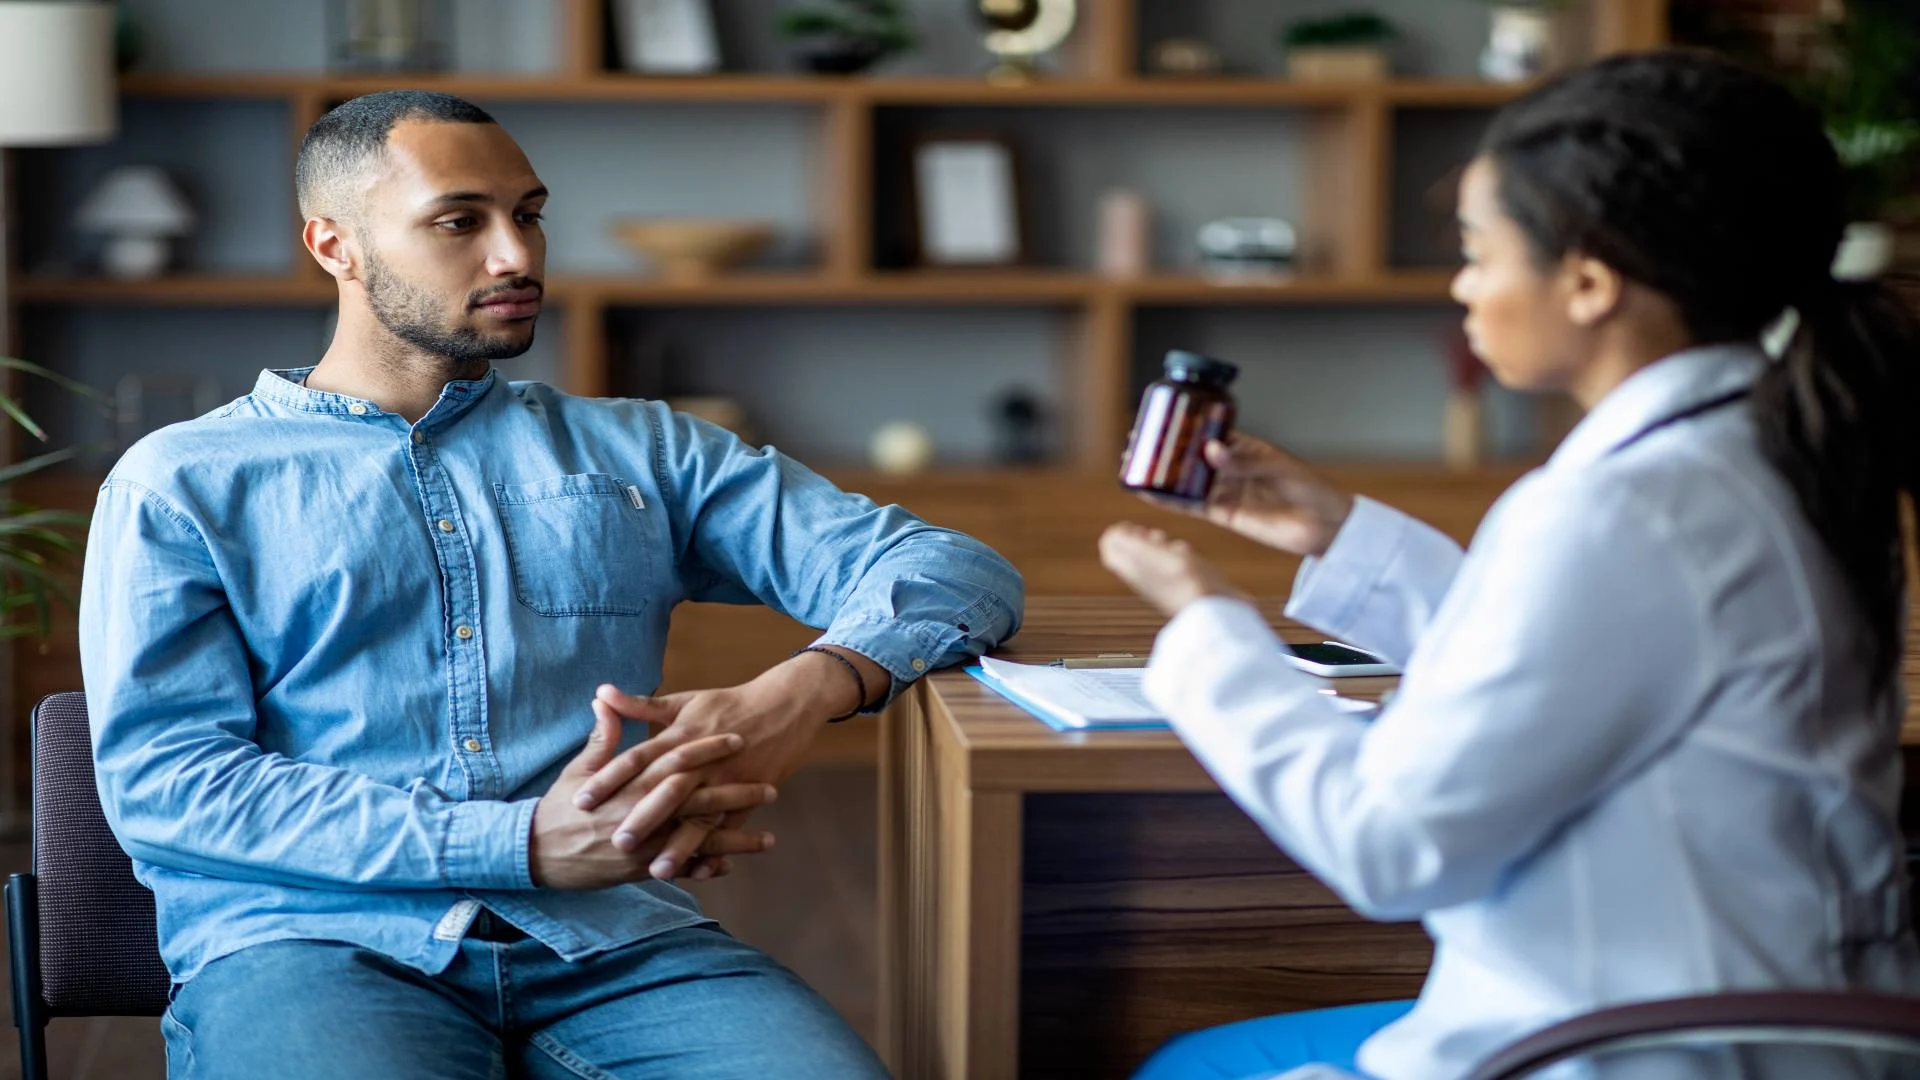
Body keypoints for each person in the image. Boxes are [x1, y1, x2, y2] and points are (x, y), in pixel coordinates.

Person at [78, 90, 1022, 1079]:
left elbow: (956, 571)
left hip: (615, 946)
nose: (518, 257)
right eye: (459, 222)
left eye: (528, 214)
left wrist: (808, 689)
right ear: (334, 246)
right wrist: (517, 843)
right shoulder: (182, 481)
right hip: (312, 947)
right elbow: (167, 782)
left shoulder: (644, 449)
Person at [1098, 50, 1920, 1080]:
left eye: (1480, 253)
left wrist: (1208, 628)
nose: (1462, 286)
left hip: (1637, 1049)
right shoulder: (1788, 448)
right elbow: (1599, 665)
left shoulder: (1621, 507)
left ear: (1585, 282)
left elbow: (1386, 844)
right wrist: (1341, 536)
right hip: (1795, 1028)